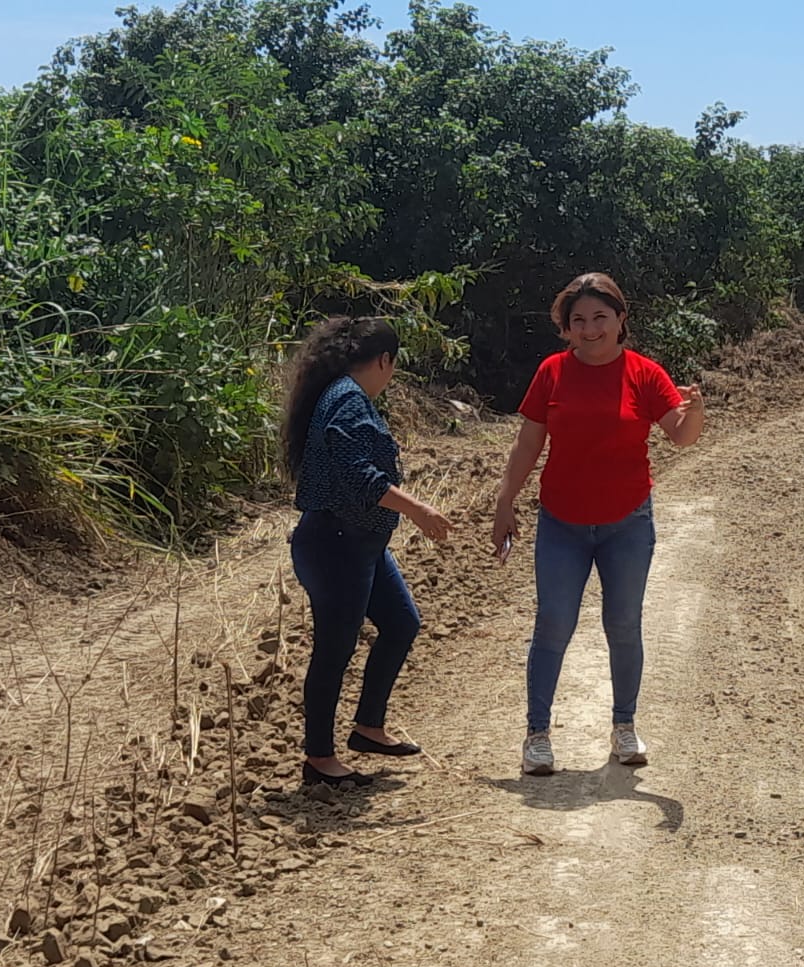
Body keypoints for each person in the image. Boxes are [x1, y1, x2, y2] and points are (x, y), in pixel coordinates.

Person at [491, 272, 704, 775]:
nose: (590, 330)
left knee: (623, 624)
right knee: (553, 624)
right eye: (579, 320)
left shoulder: (644, 374)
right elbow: (528, 442)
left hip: (627, 523)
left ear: (621, 320)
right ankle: (537, 734)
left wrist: (694, 410)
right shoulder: (552, 372)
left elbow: (681, 436)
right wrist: (505, 500)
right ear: (566, 327)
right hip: (561, 522)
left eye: (600, 318)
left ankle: (624, 726)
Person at [282, 316, 453, 786]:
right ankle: (319, 758)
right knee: (334, 650)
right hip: (336, 544)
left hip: (359, 544)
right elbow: (359, 476)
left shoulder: (341, 395)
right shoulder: (348, 400)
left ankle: (368, 728)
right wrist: (418, 509)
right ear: (384, 361)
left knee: (401, 623)